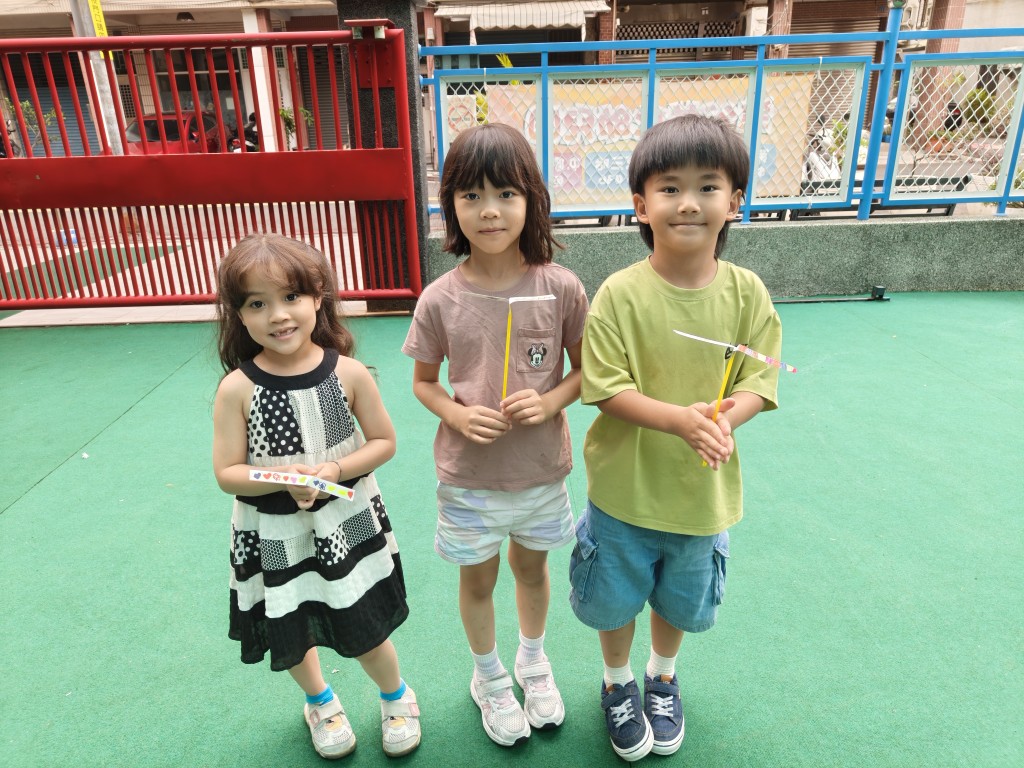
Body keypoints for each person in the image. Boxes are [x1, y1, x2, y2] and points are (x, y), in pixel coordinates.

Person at [571, 114, 782, 762]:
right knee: (614, 601)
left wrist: (723, 420)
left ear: (734, 201)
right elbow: (604, 386)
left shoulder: (747, 294)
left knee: (678, 598)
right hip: (623, 494)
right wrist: (680, 420)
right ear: (641, 205)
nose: (688, 202)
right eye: (669, 188)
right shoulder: (618, 294)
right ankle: (616, 682)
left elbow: (760, 380)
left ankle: (661, 677)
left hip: (699, 495)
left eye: (707, 186)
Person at [402, 123, 589, 747]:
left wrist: (550, 400)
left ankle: (533, 662)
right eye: (472, 195)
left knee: (532, 572)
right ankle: (488, 677)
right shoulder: (439, 299)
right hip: (470, 479)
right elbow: (424, 384)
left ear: (531, 198)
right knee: (478, 580)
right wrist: (456, 415)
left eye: (506, 193)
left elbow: (587, 372)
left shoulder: (560, 286)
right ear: (451, 205)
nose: (490, 210)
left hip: (539, 471)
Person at [212, 233, 421, 760]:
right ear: (239, 315)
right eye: (257, 304)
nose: (278, 315)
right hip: (276, 533)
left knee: (365, 621)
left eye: (291, 297)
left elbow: (384, 442)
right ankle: (321, 702)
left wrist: (334, 470)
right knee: (293, 623)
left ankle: (395, 696)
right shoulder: (237, 388)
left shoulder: (347, 373)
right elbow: (227, 473)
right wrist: (281, 478)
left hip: (344, 522)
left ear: (318, 297)